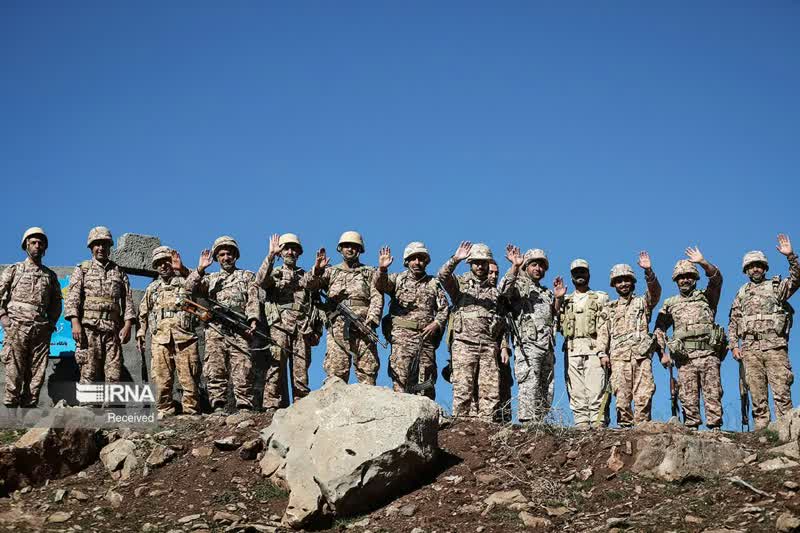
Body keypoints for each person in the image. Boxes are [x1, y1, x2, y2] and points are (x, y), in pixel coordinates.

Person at [729, 234, 800, 430]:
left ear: (765, 268)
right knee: (757, 394)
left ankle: (787, 432)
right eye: (751, 266)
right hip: (750, 349)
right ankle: (763, 434)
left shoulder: (776, 287)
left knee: (782, 392)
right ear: (746, 270)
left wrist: (791, 256)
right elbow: (733, 321)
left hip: (775, 347)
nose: (755, 269)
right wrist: (734, 346)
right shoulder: (742, 293)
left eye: (759, 265)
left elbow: (797, 279)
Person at [185, 236, 260, 412]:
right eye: (222, 254)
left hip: (239, 327)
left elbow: (253, 299)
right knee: (215, 367)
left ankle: (244, 406)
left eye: (229, 254)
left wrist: (253, 320)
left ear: (236, 256)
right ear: (217, 258)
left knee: (243, 367)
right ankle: (218, 406)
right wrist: (200, 269)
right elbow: (188, 289)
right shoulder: (211, 279)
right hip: (215, 328)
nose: (226, 258)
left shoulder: (247, 276)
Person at [655, 247, 724, 430]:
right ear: (676, 280)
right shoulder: (670, 303)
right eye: (681, 277)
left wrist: (703, 262)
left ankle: (715, 431)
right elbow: (659, 328)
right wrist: (662, 354)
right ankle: (692, 430)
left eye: (689, 276)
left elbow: (716, 279)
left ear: (695, 279)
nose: (685, 280)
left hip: (708, 355)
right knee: (687, 397)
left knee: (713, 394)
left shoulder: (707, 297)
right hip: (685, 358)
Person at [302, 231, 383, 384]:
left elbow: (377, 296)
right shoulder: (330, 271)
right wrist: (317, 270)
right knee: (336, 372)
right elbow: (307, 285)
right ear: (340, 249)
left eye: (354, 246)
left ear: (360, 250)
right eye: (346, 246)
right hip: (338, 326)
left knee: (368, 372)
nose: (350, 249)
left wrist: (372, 319)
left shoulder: (370, 272)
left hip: (364, 325)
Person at [255, 233, 322, 410]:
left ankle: (302, 406)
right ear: (280, 252)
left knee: (301, 368)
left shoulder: (304, 275)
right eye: (286, 249)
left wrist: (316, 269)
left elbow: (314, 290)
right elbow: (260, 280)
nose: (290, 252)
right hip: (280, 325)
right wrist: (270, 256)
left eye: (294, 249)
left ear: (299, 253)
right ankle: (271, 405)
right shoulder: (275, 273)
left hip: (302, 327)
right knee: (275, 365)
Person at [438, 242, 503, 419]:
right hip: (464, 344)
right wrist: (456, 259)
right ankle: (460, 427)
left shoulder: (495, 291)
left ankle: (486, 427)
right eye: (476, 262)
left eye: (483, 263)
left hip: (487, 345)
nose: (480, 266)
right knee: (462, 391)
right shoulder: (460, 284)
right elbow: (442, 276)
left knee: (490, 393)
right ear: (470, 263)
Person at [500, 246, 565, 423]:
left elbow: (552, 315)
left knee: (546, 388)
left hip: (547, 346)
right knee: (529, 384)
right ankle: (527, 425)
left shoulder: (545, 292)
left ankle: (539, 426)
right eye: (534, 265)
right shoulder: (518, 286)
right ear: (526, 266)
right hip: (528, 345)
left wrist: (558, 299)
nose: (538, 269)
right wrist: (515, 266)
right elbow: (503, 291)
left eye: (541, 266)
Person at [596, 253, 662, 427]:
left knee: (644, 395)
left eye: (626, 280)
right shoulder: (609, 308)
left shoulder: (642, 302)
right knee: (622, 398)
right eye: (619, 281)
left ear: (633, 282)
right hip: (618, 359)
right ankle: (625, 429)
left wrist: (648, 271)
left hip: (641, 357)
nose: (623, 284)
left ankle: (642, 428)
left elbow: (655, 293)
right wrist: (602, 353)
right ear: (614, 285)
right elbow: (603, 333)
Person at [375, 242, 449, 399]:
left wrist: (436, 323)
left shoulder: (433, 283)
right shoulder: (398, 279)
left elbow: (444, 308)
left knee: (426, 381)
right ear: (407, 261)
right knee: (400, 379)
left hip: (426, 339)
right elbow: (380, 285)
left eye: (421, 259)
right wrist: (382, 269)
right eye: (413, 258)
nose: (417, 262)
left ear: (426, 262)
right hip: (402, 338)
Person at [64, 227, 135, 385]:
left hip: (112, 331)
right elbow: (73, 298)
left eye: (105, 244)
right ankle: (88, 402)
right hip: (89, 330)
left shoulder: (118, 272)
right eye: (97, 244)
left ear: (109, 247)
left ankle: (111, 402)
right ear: (91, 247)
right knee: (88, 373)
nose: (101, 248)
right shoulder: (83, 269)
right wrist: (75, 323)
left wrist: (128, 325)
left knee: (114, 376)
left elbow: (128, 300)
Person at [0, 227, 62, 407]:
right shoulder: (14, 270)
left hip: (40, 329)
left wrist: (50, 323)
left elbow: (56, 303)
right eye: (33, 242)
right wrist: (4, 318)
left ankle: (30, 406)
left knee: (37, 370)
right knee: (14, 367)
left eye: (40, 243)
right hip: (16, 326)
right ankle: (11, 406)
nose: (37, 246)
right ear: (26, 245)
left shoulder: (50, 276)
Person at [136, 246, 201, 417]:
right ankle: (165, 410)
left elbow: (199, 280)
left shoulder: (185, 281)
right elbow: (143, 313)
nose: (163, 266)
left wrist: (185, 267)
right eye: (159, 263)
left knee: (188, 376)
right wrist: (141, 332)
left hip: (185, 337)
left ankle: (191, 411)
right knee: (161, 378)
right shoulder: (152, 288)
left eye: (166, 261)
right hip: (160, 339)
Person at [558, 259, 609, 430]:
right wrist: (558, 299)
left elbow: (605, 327)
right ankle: (581, 425)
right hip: (572, 349)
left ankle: (599, 423)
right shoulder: (565, 300)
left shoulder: (600, 297)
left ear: (589, 274)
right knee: (576, 391)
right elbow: (555, 322)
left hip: (594, 348)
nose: (580, 275)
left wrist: (603, 351)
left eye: (583, 272)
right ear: (571, 276)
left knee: (597, 389)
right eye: (576, 272)